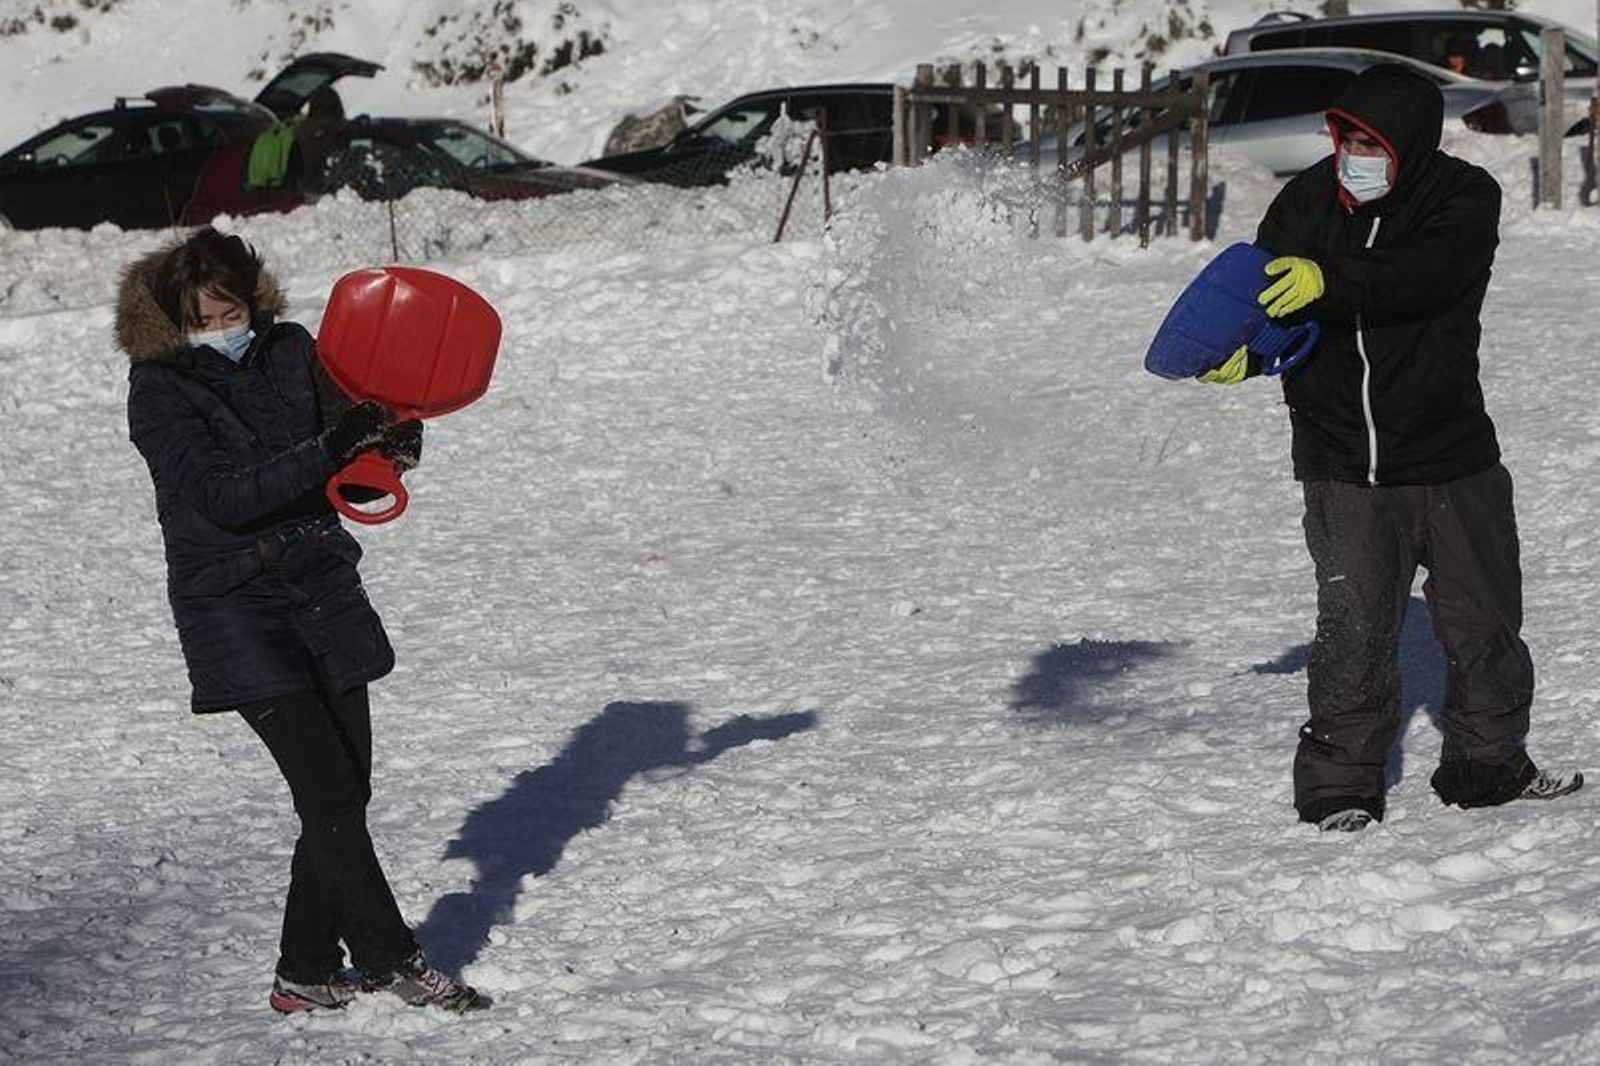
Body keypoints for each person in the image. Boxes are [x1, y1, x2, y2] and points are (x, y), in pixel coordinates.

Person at [1199, 64, 1581, 831]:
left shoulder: (1463, 196)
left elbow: (1424, 276)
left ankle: (1489, 763)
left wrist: (1326, 280)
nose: (1354, 155)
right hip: (1342, 458)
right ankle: (1340, 785)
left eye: (1371, 143)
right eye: (1346, 139)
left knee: (1485, 619)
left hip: (1452, 452)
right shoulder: (1305, 201)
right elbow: (1269, 295)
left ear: (1408, 144)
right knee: (1356, 628)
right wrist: (1246, 350)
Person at [118, 226, 486, 1011]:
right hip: (235, 606)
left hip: (321, 588)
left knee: (345, 790)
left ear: (253, 301)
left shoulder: (292, 350)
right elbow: (223, 496)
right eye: (202, 321)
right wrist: (331, 447)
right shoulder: (159, 391)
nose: (222, 331)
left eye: (232, 314)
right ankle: (392, 959)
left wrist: (391, 443)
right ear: (175, 321)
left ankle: (306, 970)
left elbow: (351, 449)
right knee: (328, 790)